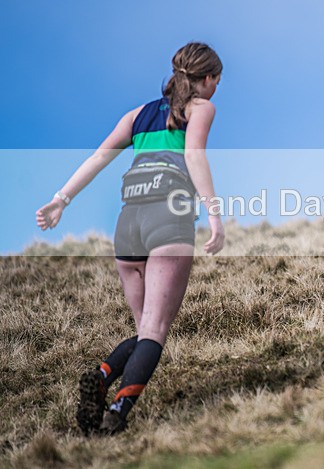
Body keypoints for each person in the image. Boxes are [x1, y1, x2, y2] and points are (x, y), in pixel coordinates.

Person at [35, 42, 225, 435]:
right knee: (155, 331)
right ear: (207, 80)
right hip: (167, 219)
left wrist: (60, 200)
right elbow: (194, 156)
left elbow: (99, 157)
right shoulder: (201, 109)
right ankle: (117, 414)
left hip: (128, 223)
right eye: (217, 81)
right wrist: (214, 213)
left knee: (144, 332)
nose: (215, 89)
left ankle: (103, 379)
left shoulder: (137, 115)